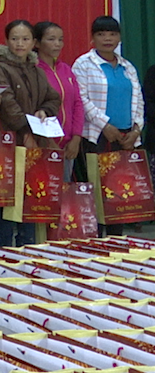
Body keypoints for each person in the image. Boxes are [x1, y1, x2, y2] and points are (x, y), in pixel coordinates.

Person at [0, 19, 60, 247]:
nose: (20, 44)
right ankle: (5, 246)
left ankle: (26, 245)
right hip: (10, 142)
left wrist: (44, 111)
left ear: (33, 43)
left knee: (30, 194)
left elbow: (53, 98)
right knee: (7, 196)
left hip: (35, 142)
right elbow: (7, 103)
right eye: (14, 39)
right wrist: (26, 130)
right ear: (6, 41)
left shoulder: (37, 69)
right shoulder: (1, 67)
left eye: (25, 39)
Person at [72, 16, 143, 236]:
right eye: (101, 34)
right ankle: (95, 241)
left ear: (119, 38)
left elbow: (138, 100)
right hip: (98, 137)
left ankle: (116, 239)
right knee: (97, 193)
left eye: (112, 34)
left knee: (120, 193)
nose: (107, 39)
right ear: (92, 38)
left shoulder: (127, 67)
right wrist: (105, 125)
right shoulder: (83, 64)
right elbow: (81, 99)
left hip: (125, 138)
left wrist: (136, 130)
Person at [34, 21, 85, 182]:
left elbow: (77, 103)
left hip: (68, 145)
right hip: (44, 144)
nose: (57, 44)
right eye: (51, 39)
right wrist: (49, 141)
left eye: (60, 39)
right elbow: (33, 108)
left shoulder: (66, 69)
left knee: (64, 190)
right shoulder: (34, 70)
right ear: (37, 43)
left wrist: (76, 138)